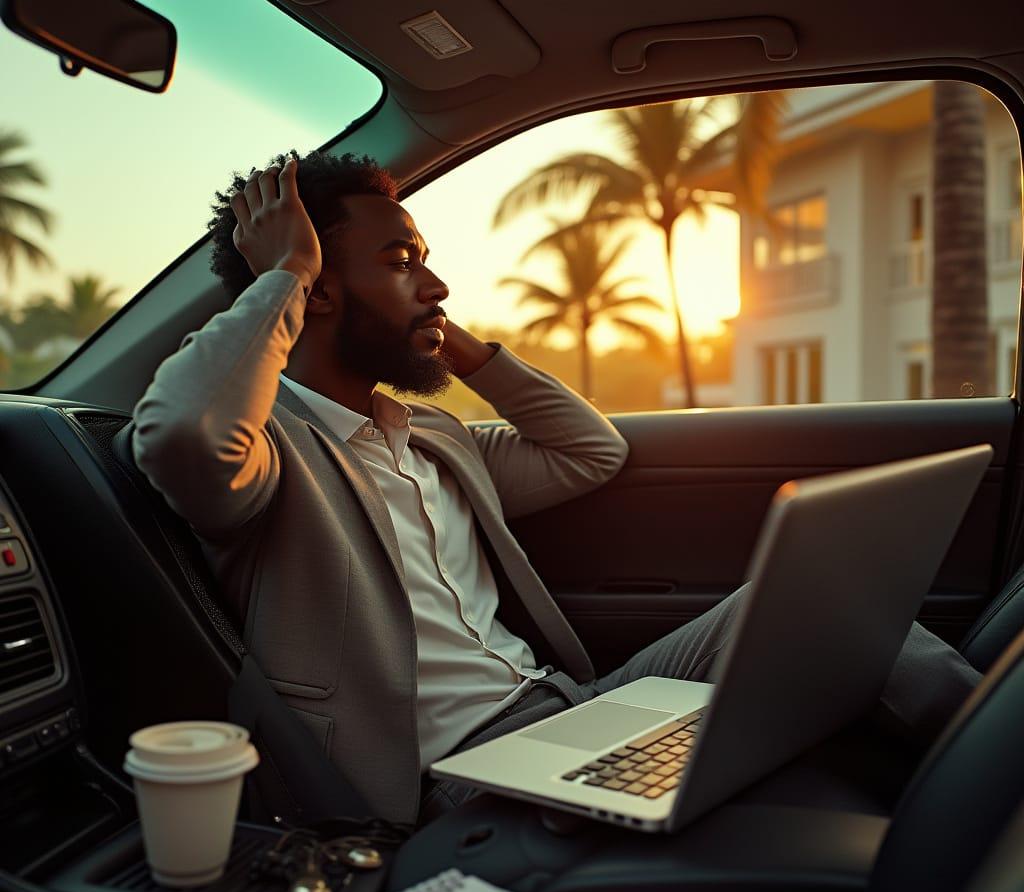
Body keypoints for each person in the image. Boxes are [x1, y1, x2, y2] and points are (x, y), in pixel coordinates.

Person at [133, 150, 981, 830]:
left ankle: (1000, 784)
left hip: (571, 707)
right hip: (458, 778)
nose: (437, 284)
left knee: (830, 603)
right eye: (401, 262)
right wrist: (282, 272)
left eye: (426, 261)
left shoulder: (429, 435)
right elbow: (180, 435)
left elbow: (588, 450)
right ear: (312, 290)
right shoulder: (269, 453)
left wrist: (431, 331)